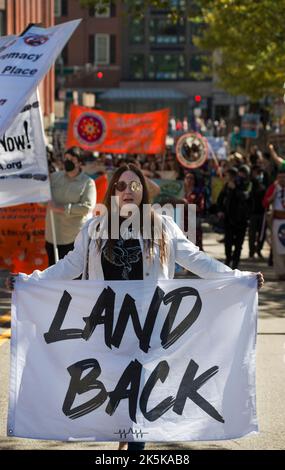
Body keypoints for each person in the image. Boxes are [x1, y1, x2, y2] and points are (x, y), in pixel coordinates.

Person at [7, 163, 264, 451]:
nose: (128, 190)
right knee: (116, 394)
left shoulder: (163, 225)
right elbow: (71, 265)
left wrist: (239, 278)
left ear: (143, 191)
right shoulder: (95, 227)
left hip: (149, 328)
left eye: (135, 185)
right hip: (107, 328)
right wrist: (31, 281)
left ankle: (134, 445)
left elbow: (197, 260)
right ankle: (125, 435)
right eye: (121, 185)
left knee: (140, 397)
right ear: (112, 192)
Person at [45, 146, 96, 266]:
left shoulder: (87, 183)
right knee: (53, 275)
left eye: (72, 159)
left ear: (79, 162)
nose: (67, 161)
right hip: (52, 237)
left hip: (74, 239)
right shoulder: (54, 177)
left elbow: (87, 207)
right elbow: (43, 200)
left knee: (72, 277)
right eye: (66, 158)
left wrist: (61, 208)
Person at [263, 168, 285, 280]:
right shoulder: (273, 188)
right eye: (280, 177)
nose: (282, 180)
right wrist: (274, 194)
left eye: (284, 177)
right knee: (277, 248)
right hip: (277, 220)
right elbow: (265, 202)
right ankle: (280, 272)